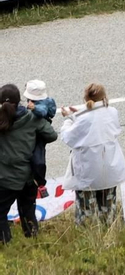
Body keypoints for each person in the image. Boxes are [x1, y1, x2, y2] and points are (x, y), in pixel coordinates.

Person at [58, 83, 125, 226]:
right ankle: (110, 231)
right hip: (109, 168)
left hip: (87, 171)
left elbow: (68, 137)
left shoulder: (83, 118)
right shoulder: (112, 112)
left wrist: (69, 119)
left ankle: (89, 232)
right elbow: (95, 122)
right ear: (104, 96)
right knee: (108, 207)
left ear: (85, 97)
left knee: (86, 208)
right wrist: (78, 114)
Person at [0, 83, 55, 242]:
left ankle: (5, 242)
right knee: (27, 210)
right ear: (20, 101)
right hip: (29, 177)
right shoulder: (31, 118)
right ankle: (32, 239)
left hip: (6, 179)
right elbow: (52, 135)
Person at [18, 82, 54, 233]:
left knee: (38, 160)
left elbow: (42, 112)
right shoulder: (49, 100)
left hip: (38, 135)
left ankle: (40, 182)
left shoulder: (41, 105)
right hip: (39, 134)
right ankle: (31, 231)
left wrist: (33, 108)